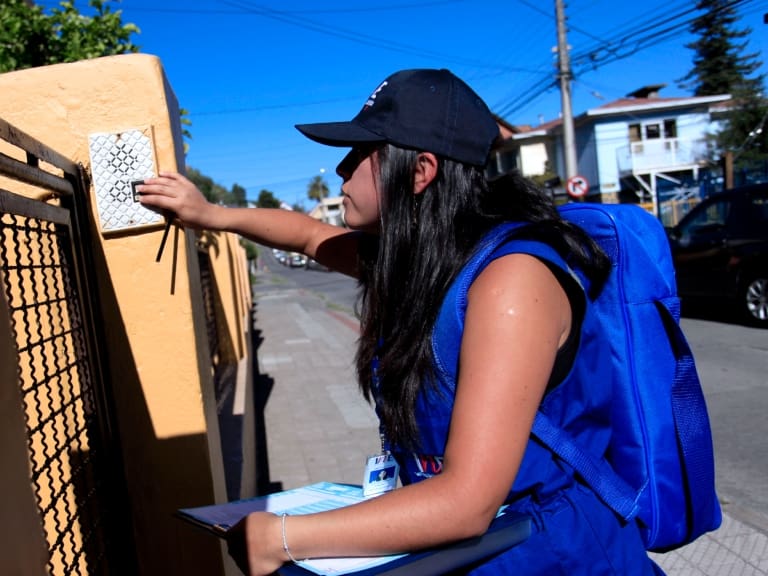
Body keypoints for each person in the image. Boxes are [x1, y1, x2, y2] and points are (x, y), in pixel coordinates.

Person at [138, 68, 664, 575]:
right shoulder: (424, 262)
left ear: (420, 171)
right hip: (475, 552)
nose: (343, 169)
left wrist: (280, 537)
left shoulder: (513, 281)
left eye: (360, 152)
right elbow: (305, 235)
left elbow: (465, 502)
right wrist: (210, 214)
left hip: (553, 556)